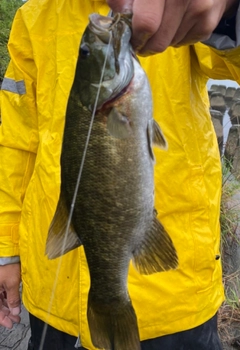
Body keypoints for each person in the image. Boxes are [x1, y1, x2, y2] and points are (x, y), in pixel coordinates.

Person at [0, 0, 240, 349]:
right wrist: (6, 250)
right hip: (52, 294)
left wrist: (229, 11)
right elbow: (16, 144)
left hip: (173, 297)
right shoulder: (34, 16)